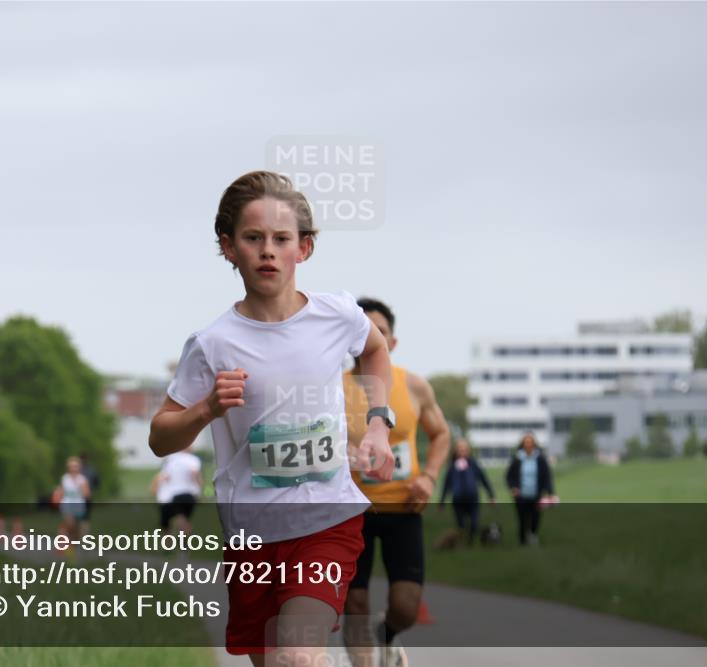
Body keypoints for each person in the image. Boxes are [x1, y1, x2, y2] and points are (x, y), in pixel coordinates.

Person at [149, 171, 395, 667]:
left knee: (299, 656)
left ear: (303, 249)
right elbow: (159, 437)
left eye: (281, 239)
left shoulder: (337, 315)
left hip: (327, 520)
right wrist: (206, 409)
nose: (268, 251)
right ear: (228, 247)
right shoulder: (212, 344)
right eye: (253, 238)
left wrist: (376, 423)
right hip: (253, 534)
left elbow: (375, 351)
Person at [341, 297, 451, 667]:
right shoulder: (329, 388)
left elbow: (441, 435)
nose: (373, 337)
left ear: (392, 341)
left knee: (405, 607)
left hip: (404, 507)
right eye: (364, 331)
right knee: (355, 604)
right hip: (349, 512)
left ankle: (387, 634)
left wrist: (430, 476)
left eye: (381, 331)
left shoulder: (414, 387)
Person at [439, 438, 495, 546]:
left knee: (474, 524)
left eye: (464, 449)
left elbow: (484, 479)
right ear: (456, 451)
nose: (462, 451)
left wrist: (491, 495)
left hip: (473, 499)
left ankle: (471, 541)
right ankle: (462, 542)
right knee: (461, 524)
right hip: (458, 500)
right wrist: (442, 501)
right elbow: (446, 484)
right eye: (460, 449)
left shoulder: (474, 464)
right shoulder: (452, 466)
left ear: (468, 451)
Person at [505, 432, 554, 546]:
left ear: (534, 444)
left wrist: (550, 492)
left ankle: (532, 536)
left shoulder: (540, 459)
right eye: (526, 442)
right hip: (520, 496)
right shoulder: (517, 459)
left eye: (530, 442)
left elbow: (547, 476)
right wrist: (513, 487)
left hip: (536, 495)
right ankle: (522, 541)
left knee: (535, 518)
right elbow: (509, 476)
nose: (528, 445)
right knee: (522, 519)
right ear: (522, 444)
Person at [151, 445, 203, 535]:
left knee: (172, 521)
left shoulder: (171, 459)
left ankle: (173, 544)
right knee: (183, 519)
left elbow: (162, 476)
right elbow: (195, 474)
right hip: (189, 494)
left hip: (172, 495)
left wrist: (155, 490)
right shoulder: (193, 459)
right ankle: (183, 542)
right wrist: (199, 490)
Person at [56, 456, 90, 542]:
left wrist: (81, 488)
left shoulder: (82, 479)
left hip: (78, 504)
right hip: (67, 503)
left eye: (75, 466)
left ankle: (74, 539)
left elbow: (87, 494)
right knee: (69, 522)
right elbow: (61, 491)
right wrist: (58, 494)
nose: (73, 468)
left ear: (79, 467)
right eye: (71, 466)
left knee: (76, 526)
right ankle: (69, 539)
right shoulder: (65, 478)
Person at [79, 453, 100, 534]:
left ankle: (83, 534)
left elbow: (97, 482)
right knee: (83, 517)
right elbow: (97, 483)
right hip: (82, 496)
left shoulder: (89, 470)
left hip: (85, 496)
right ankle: (82, 534)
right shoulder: (91, 470)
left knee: (85, 516)